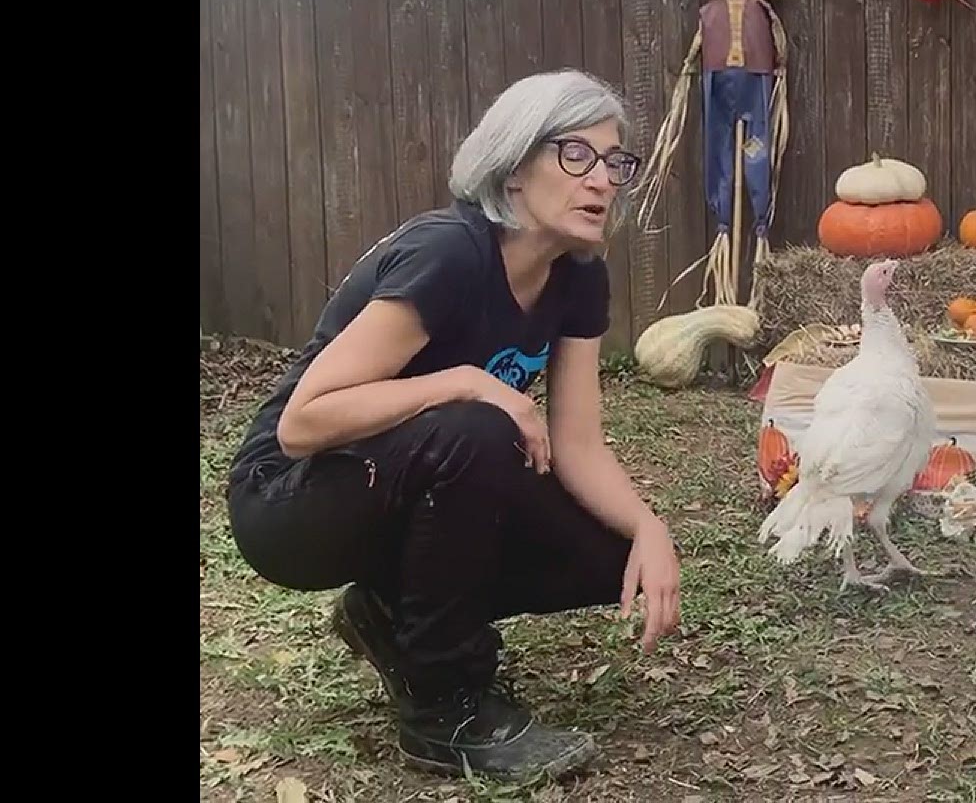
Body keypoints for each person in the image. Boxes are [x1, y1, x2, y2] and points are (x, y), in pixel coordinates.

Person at [225, 70, 683, 782]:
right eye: (575, 155)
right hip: (288, 499)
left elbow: (579, 444)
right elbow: (303, 424)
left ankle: (394, 612)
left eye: (615, 161)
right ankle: (444, 711)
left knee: (605, 555)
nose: (602, 180)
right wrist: (469, 381)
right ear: (513, 166)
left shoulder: (578, 275)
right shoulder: (449, 254)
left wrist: (651, 529)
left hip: (402, 478)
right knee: (474, 428)